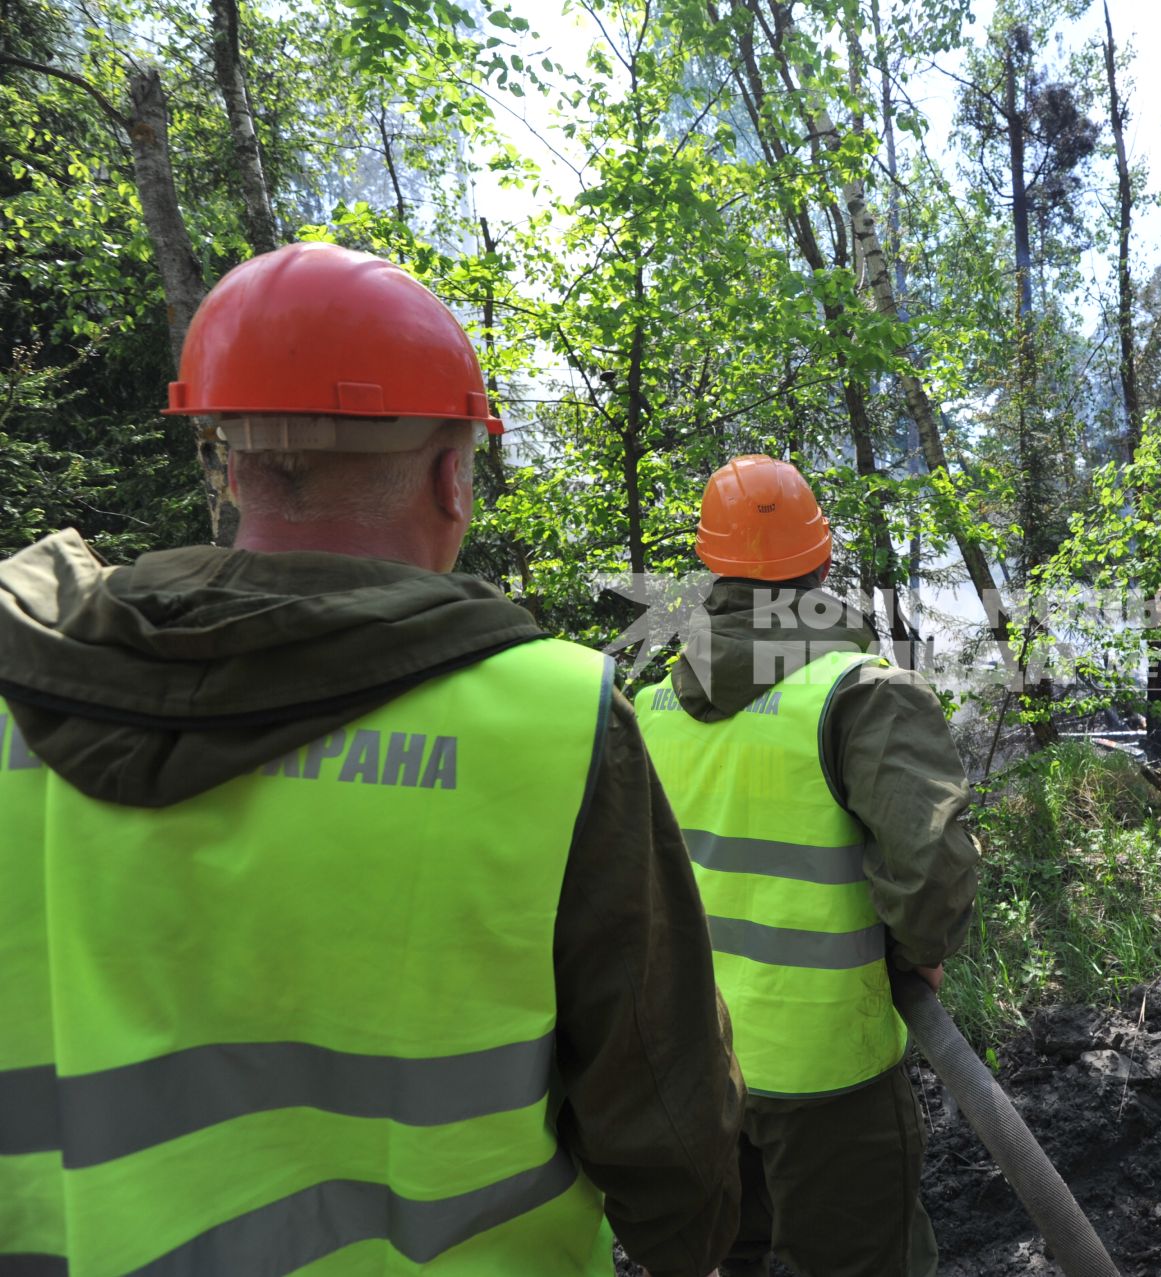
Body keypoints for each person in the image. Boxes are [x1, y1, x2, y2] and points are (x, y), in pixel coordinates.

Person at [0, 243, 742, 1275]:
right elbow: (663, 1108)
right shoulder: (551, 718)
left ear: (225, 459)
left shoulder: (22, 699)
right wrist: (694, 1246)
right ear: (451, 474)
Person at [634, 456, 980, 1277]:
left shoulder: (648, 708)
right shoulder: (860, 693)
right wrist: (923, 952)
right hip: (831, 1069)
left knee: (743, 1257)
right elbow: (930, 864)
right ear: (823, 564)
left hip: (705, 1065)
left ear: (711, 567)